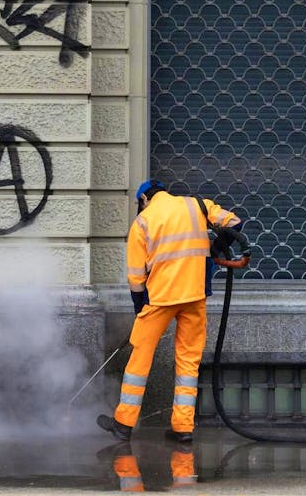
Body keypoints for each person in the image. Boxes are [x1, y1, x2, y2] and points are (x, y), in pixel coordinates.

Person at [97, 179, 241, 443]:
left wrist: (139, 306)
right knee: (188, 361)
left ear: (144, 199)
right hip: (195, 296)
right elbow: (234, 223)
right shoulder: (196, 205)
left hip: (160, 299)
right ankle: (183, 427)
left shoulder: (143, 221)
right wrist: (215, 249)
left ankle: (124, 423)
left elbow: (136, 276)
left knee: (140, 358)